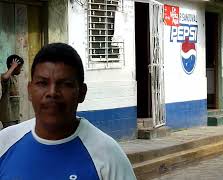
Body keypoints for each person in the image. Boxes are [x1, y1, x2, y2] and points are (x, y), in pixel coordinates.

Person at [0, 43, 136, 179]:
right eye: (42, 83)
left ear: (82, 93)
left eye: (65, 84)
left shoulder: (108, 156)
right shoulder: (5, 143)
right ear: (30, 91)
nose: (52, 93)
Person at [0, 55, 24, 128]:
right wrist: (13, 66)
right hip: (8, 116)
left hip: (14, 116)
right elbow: (4, 77)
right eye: (20, 67)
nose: (21, 69)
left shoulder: (14, 78)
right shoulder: (7, 77)